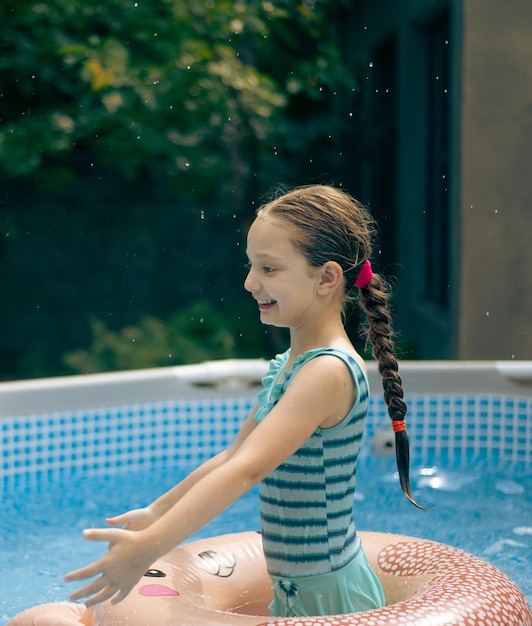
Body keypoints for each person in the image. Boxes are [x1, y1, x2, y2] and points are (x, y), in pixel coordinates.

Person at [65, 184, 421, 617]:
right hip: (296, 585)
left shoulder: (327, 371)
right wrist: (157, 512)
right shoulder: (293, 364)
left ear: (326, 278)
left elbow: (247, 469)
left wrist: (149, 548)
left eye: (269, 268)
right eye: (251, 265)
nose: (250, 282)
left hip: (332, 594)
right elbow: (234, 454)